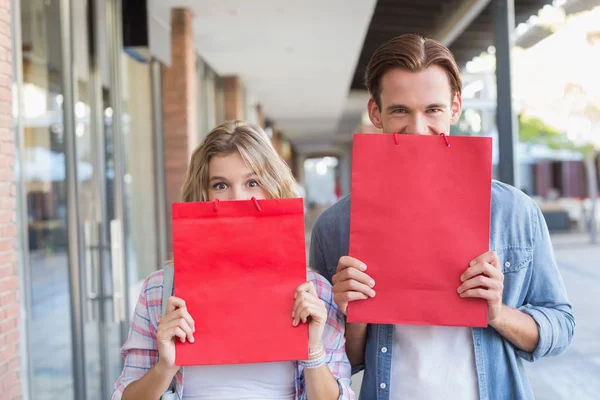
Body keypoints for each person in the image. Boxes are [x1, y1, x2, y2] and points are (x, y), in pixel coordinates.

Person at [310, 34, 575, 400]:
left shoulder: (515, 210)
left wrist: (498, 313)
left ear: (455, 108)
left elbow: (561, 326)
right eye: (400, 110)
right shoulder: (336, 225)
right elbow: (337, 364)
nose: (418, 129)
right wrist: (352, 318)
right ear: (376, 112)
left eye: (432, 110)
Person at [113, 121, 354, 400]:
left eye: (252, 183)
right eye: (220, 185)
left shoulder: (315, 292)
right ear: (202, 197)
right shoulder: (160, 291)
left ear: (274, 190)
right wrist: (165, 366)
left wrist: (313, 349)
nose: (237, 199)